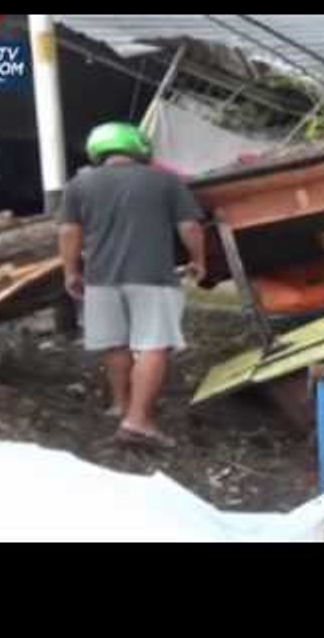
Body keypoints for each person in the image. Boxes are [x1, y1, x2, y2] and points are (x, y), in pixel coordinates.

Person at [58, 122, 205, 448]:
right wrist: (198, 259)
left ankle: (120, 406)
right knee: (154, 345)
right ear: (138, 146)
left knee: (116, 344)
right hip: (153, 277)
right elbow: (190, 226)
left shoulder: (79, 185)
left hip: (100, 279)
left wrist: (71, 272)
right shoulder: (165, 181)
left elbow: (69, 232)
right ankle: (138, 422)